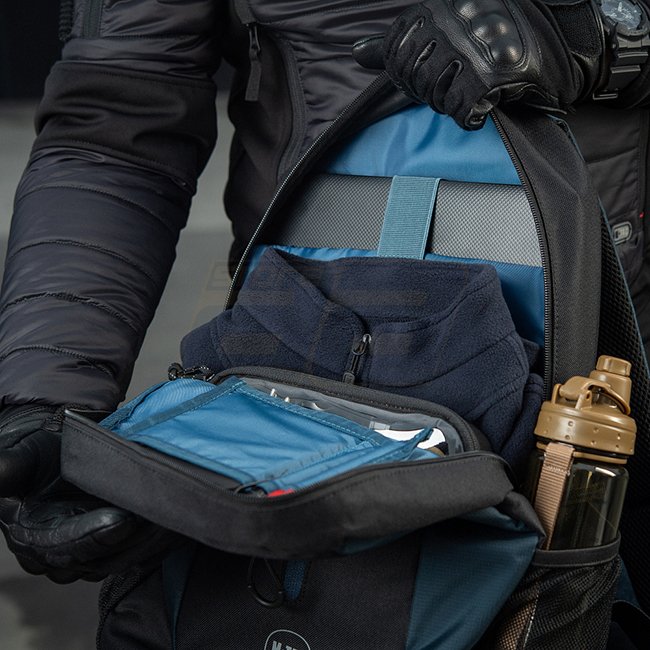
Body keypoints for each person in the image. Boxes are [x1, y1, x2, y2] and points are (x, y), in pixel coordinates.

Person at [0, 0, 648, 645]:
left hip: (614, 354)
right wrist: (48, 395)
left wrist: (601, 31)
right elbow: (116, 125)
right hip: (306, 362)